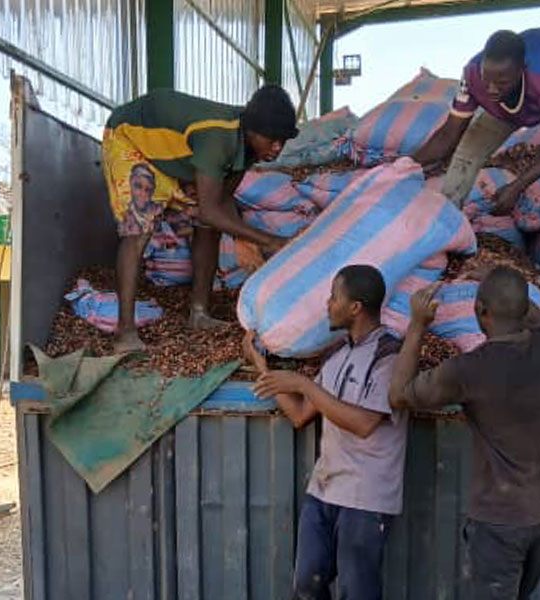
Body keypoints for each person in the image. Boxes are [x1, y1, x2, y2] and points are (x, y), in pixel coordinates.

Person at [389, 267, 540, 600]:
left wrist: (418, 323)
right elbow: (530, 313)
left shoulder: (469, 369)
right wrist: (499, 282)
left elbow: (398, 395)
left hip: (500, 521)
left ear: (480, 310)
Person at [244, 264, 406, 600]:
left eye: (334, 297)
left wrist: (303, 384)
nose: (327, 305)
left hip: (365, 497)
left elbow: (364, 424)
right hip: (324, 490)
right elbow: (301, 414)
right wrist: (262, 368)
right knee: (306, 585)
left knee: (357, 592)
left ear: (355, 307)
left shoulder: (390, 355)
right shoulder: (337, 354)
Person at [102, 85, 299, 352]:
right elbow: (210, 209)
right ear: (252, 130)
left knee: (209, 226)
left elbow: (221, 202)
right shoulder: (219, 138)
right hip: (131, 138)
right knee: (139, 227)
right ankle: (125, 332)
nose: (277, 148)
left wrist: (248, 240)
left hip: (169, 155)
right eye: (272, 139)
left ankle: (199, 313)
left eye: (282, 141)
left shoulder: (249, 148)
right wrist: (270, 241)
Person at [413, 29, 540, 290]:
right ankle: (442, 232)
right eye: (487, 80)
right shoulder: (472, 74)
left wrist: (516, 187)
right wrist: (404, 165)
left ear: (521, 69)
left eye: (501, 82)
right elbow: (450, 133)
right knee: (468, 151)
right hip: (519, 101)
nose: (491, 89)